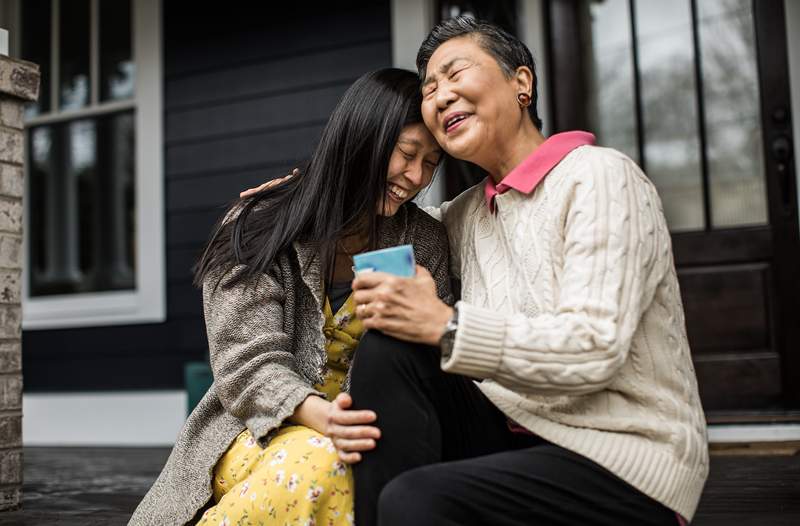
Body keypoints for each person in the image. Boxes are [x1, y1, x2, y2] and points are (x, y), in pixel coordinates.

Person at [343, 17, 709, 526]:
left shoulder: (599, 177)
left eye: (456, 73)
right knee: (389, 347)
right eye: (429, 89)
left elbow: (595, 346)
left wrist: (446, 326)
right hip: (512, 434)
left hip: (620, 457)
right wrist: (300, 195)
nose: (441, 97)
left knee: (417, 499)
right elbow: (374, 213)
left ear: (521, 83)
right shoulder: (465, 214)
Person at [128, 68, 452, 526]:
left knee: (354, 474)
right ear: (362, 138)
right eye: (406, 154)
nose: (416, 176)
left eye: (433, 162)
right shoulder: (262, 224)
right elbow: (246, 364)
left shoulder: (424, 242)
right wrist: (325, 419)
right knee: (323, 467)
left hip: (366, 437)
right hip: (252, 428)